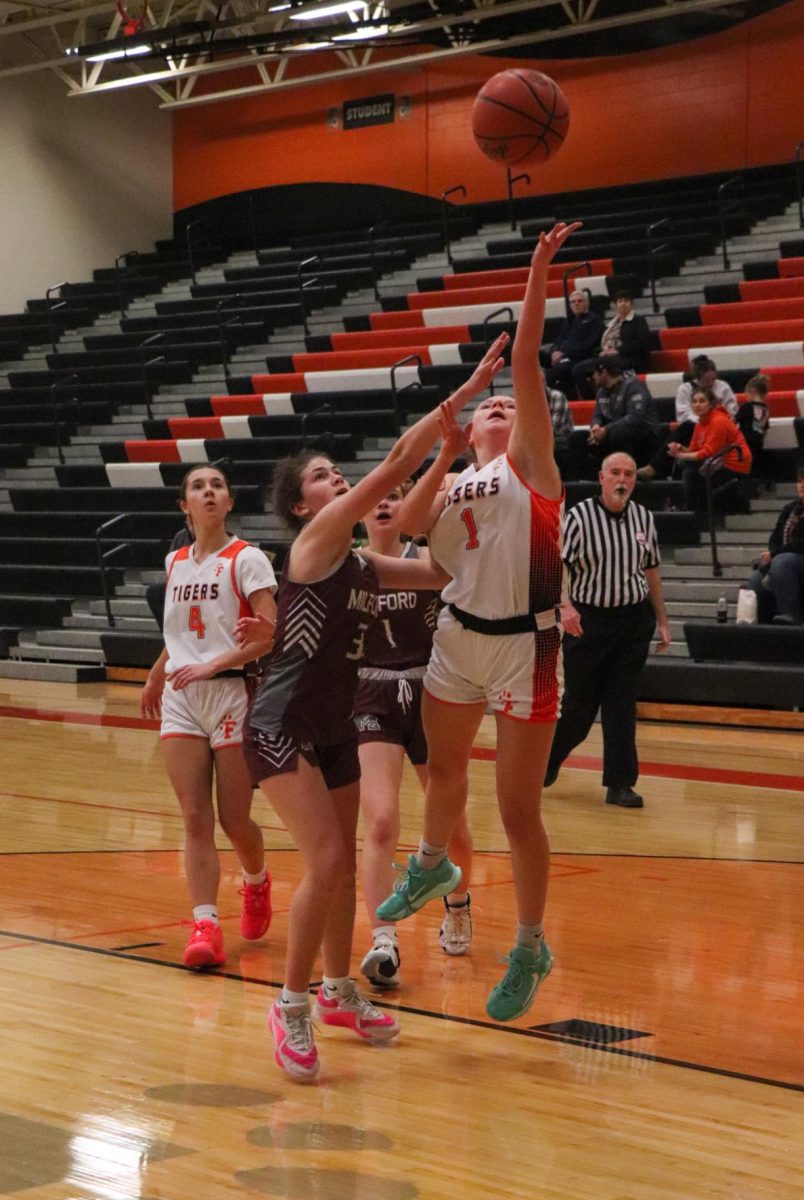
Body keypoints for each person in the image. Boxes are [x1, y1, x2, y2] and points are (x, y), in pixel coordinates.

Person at [237, 334, 510, 1081]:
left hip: (332, 729)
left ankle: (336, 991)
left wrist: (471, 483)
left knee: (347, 869)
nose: (339, 480)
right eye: (324, 477)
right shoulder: (318, 544)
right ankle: (289, 1005)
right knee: (325, 860)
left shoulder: (362, 562)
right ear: (305, 505)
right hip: (279, 727)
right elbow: (394, 465)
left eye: (336, 474)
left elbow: (437, 567)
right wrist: (458, 407)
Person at [374, 221, 584, 1024]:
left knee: (518, 811)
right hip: (457, 635)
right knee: (445, 775)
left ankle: (530, 944)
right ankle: (430, 863)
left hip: (526, 646)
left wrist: (538, 274)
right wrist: (444, 444)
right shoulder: (460, 481)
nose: (500, 405)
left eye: (506, 406)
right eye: (491, 405)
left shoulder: (533, 467)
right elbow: (419, 535)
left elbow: (525, 360)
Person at [140, 464, 278, 969]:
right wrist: (159, 671)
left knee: (233, 818)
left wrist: (213, 664)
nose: (209, 492)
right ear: (186, 506)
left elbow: (268, 636)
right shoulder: (175, 561)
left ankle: (258, 881)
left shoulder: (248, 560)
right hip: (183, 694)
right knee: (194, 816)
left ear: (229, 500)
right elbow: (179, 633)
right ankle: (205, 924)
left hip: (232, 691)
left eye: (217, 485)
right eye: (198, 487)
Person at [355, 484, 474, 990]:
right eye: (376, 496)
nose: (384, 502)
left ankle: (459, 904)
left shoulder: (428, 558)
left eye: (396, 495)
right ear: (359, 509)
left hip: (431, 691)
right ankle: (384, 938)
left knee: (454, 831)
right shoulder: (346, 567)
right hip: (370, 695)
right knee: (380, 820)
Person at [544, 452, 671, 808]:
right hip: (588, 622)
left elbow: (651, 571)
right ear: (601, 477)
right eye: (615, 472)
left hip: (633, 622)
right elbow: (556, 566)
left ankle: (620, 783)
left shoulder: (644, 518)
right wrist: (564, 607)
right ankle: (548, 759)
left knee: (622, 704)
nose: (622, 479)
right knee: (579, 708)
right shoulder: (579, 517)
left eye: (629, 473)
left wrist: (661, 620)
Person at [637, 355, 738, 481]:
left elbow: (732, 411)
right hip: (695, 428)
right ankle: (658, 469)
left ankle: (655, 467)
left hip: (719, 428)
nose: (710, 384)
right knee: (686, 427)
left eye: (713, 379)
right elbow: (684, 415)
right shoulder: (685, 389)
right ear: (697, 378)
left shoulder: (722, 387)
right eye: (706, 381)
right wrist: (702, 421)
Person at [667, 386, 751, 513]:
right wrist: (680, 448)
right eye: (694, 401)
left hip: (734, 465)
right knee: (684, 465)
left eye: (702, 401)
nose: (697, 405)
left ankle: (693, 513)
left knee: (688, 471)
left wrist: (680, 455)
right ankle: (684, 507)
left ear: (711, 404)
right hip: (717, 462)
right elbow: (693, 449)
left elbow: (708, 452)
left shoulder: (718, 421)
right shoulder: (700, 423)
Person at [743, 466, 804, 625]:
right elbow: (775, 537)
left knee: (782, 562)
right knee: (757, 578)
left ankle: (791, 614)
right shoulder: (790, 509)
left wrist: (775, 554)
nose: (802, 484)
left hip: (796, 559)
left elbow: (800, 544)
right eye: (799, 481)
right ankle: (759, 626)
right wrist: (771, 554)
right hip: (784, 559)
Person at [585, 356, 659, 473]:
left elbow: (635, 417)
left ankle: (625, 472)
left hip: (644, 432)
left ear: (603, 372)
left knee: (618, 434)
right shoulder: (601, 392)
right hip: (613, 430)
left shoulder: (633, 385)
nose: (592, 377)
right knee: (577, 439)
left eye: (594, 373)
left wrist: (606, 430)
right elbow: (597, 415)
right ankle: (591, 479)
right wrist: (595, 426)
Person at [572, 290, 652, 397]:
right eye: (620, 301)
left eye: (626, 301)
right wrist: (601, 352)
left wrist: (617, 351)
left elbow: (642, 344)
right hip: (607, 357)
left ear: (631, 304)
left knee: (594, 367)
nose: (623, 304)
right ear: (615, 305)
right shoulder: (611, 324)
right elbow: (600, 343)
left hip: (629, 358)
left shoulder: (638, 321)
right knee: (578, 369)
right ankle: (591, 399)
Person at [541, 288, 603, 397]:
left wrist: (564, 355)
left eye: (579, 301)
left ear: (586, 303)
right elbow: (558, 341)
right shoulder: (568, 321)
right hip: (561, 357)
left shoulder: (595, 320)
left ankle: (551, 400)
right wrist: (554, 352)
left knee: (553, 373)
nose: (576, 304)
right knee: (534, 354)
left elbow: (588, 345)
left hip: (579, 358)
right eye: (573, 302)